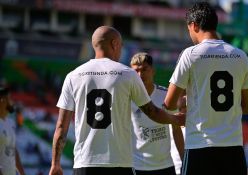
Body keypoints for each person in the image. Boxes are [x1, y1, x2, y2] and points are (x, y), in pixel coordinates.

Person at [49, 26, 185, 175]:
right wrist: (177, 119)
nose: (121, 50)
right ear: (114, 43)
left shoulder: (73, 76)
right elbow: (152, 112)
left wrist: (55, 163)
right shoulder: (127, 74)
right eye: (120, 45)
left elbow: (61, 126)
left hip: (85, 162)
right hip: (120, 163)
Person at [163, 2, 248, 175]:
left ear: (194, 25)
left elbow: (169, 103)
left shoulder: (190, 54)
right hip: (233, 147)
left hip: (200, 145)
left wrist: (186, 111)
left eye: (188, 28)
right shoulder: (241, 56)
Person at [130, 52, 184, 175]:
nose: (140, 74)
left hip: (165, 165)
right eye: (136, 71)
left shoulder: (165, 95)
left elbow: (176, 130)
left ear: (153, 71)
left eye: (144, 70)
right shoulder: (127, 99)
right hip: (137, 166)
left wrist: (183, 159)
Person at [0, 86, 25, 175]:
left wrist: (22, 173)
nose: (12, 102)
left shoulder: (10, 122)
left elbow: (13, 149)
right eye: (9, 99)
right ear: (2, 101)